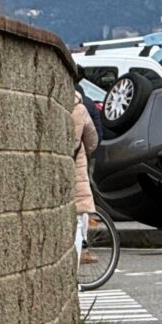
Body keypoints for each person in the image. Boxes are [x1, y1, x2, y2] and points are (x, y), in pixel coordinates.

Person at [72, 88, 100, 264]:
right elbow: (92, 139)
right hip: (76, 166)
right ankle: (80, 253)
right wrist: (87, 151)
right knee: (79, 213)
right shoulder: (80, 109)